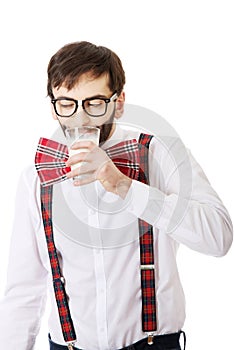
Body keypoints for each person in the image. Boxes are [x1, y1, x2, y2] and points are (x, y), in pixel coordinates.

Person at [0, 41, 232, 350]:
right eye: (67, 103)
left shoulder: (162, 155)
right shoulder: (38, 178)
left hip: (153, 343)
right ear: (54, 107)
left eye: (94, 102)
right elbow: (23, 289)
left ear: (118, 102)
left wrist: (124, 186)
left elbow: (219, 238)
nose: (80, 118)